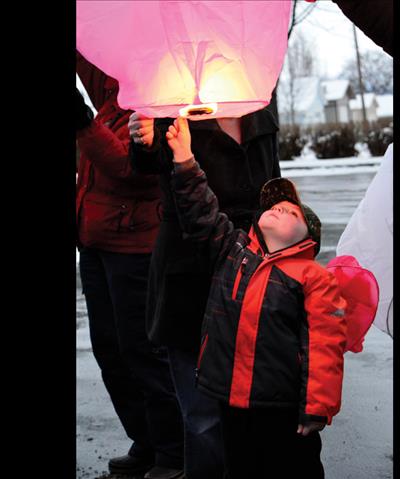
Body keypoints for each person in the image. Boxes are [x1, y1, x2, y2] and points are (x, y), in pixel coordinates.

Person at [164, 116, 347, 478]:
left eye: (290, 210)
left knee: (292, 469)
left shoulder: (313, 277)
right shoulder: (234, 252)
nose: (278, 208)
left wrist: (317, 406)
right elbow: (202, 212)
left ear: (307, 238)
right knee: (241, 468)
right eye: (273, 206)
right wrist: (185, 159)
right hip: (233, 403)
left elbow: (325, 346)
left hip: (282, 410)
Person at [128, 107, 280, 478]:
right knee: (203, 419)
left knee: (259, 413)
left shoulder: (259, 91)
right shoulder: (169, 92)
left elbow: (272, 179)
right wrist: (145, 139)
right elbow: (147, 162)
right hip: (188, 274)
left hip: (255, 270)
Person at [76, 51, 185, 479]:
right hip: (95, 243)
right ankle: (147, 439)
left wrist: (82, 122)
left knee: (142, 351)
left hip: (135, 247)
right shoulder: (112, 89)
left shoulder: (158, 97)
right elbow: (89, 52)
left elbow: (131, 169)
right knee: (111, 351)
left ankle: (173, 452)